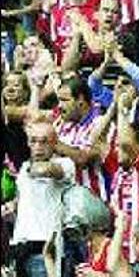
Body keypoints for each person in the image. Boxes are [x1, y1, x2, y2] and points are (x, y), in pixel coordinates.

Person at [10, 116, 75, 277]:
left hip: (46, 250)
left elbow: (51, 170)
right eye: (34, 141)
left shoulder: (66, 164)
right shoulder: (25, 167)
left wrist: (37, 170)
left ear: (54, 143)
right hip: (20, 246)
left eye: (44, 141)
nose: (38, 146)